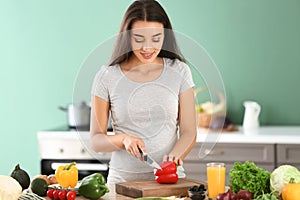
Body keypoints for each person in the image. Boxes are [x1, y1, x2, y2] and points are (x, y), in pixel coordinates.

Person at [90, 0, 197, 184]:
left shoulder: (179, 71)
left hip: (169, 181)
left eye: (156, 39)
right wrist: (124, 139)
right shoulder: (107, 76)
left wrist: (174, 157)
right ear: (127, 36)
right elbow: (96, 140)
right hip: (122, 183)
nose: (147, 48)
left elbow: (189, 131)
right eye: (139, 39)